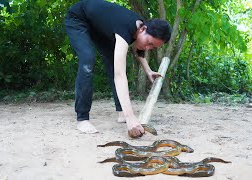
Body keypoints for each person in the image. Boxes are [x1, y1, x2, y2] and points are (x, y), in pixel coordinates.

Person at [64, 0, 172, 138]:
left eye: (153, 47)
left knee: (113, 61)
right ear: (143, 29)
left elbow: (138, 47)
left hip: (99, 27)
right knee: (87, 59)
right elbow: (119, 75)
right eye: (149, 43)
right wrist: (131, 117)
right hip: (78, 18)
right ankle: (82, 119)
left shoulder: (139, 28)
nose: (148, 48)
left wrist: (148, 70)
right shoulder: (125, 27)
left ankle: (121, 112)